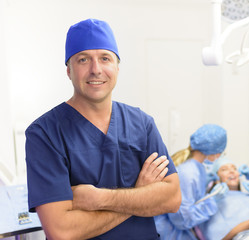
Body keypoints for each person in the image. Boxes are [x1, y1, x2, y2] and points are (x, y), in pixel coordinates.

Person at [25, 18, 181, 240]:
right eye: (83, 59)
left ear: (117, 67)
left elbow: (172, 199)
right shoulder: (45, 134)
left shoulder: (142, 123)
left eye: (105, 58)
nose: (95, 69)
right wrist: (139, 195)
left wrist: (100, 199)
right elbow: (61, 231)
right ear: (68, 70)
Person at [155, 124, 228, 240]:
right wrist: (211, 202)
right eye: (221, 153)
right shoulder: (189, 173)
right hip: (169, 233)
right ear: (216, 152)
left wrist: (205, 184)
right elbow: (182, 219)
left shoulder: (196, 168)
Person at [199, 157, 249, 240]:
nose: (232, 171)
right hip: (248, 235)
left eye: (234, 168)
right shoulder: (211, 204)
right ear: (216, 178)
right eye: (224, 169)